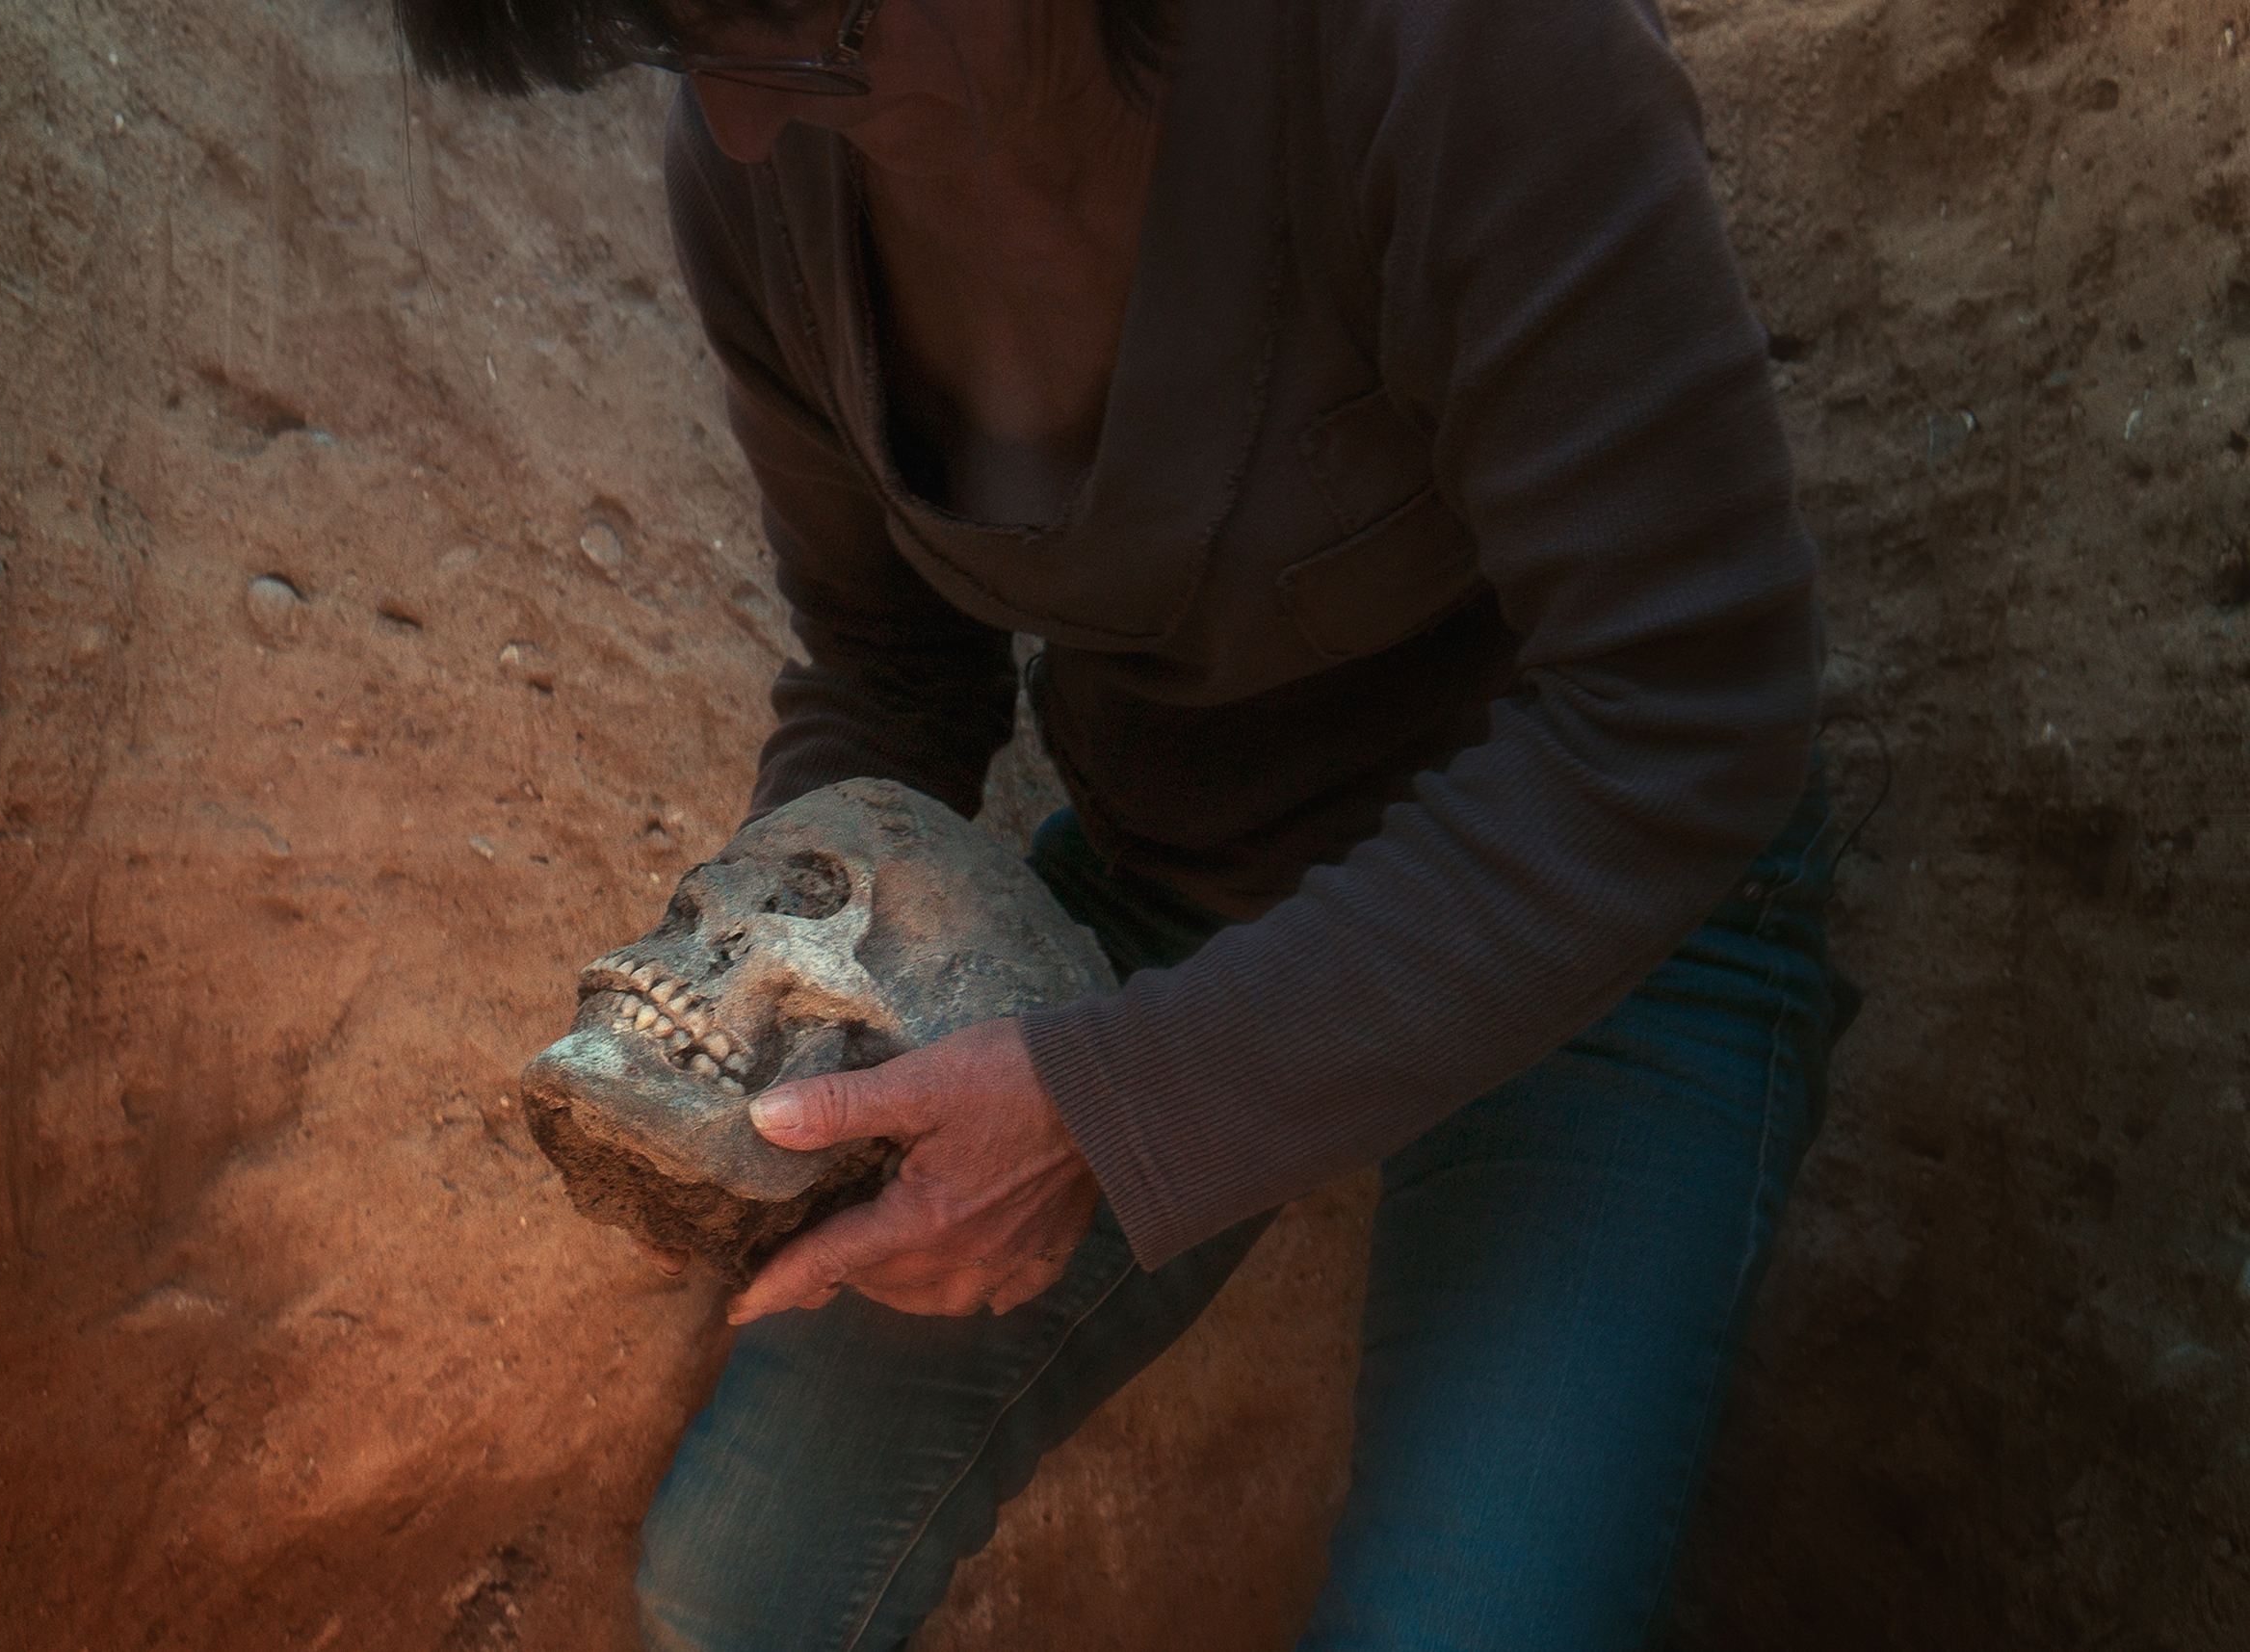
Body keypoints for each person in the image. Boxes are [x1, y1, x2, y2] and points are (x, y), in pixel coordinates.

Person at [398, 0, 1845, 1645]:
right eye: (685, 46)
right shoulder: (769, 161)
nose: (735, 122)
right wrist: (749, 1023)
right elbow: (891, 676)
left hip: (1609, 922)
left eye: (805, 30)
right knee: (735, 1583)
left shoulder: (1457, 48)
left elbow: (1682, 713)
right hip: (1177, 877)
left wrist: (1117, 1108)